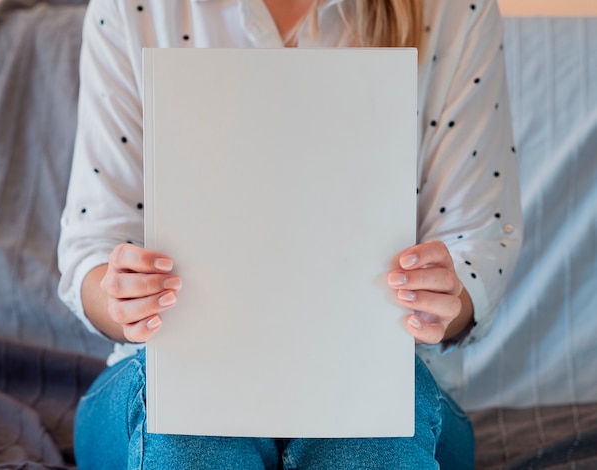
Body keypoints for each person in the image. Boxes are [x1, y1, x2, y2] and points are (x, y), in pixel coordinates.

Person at [57, 0, 522, 468]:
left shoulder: (458, 10)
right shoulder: (131, 9)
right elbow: (91, 245)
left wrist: (444, 295)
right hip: (172, 367)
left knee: (369, 432)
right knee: (185, 429)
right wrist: (121, 296)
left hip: (383, 376)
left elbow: (478, 244)